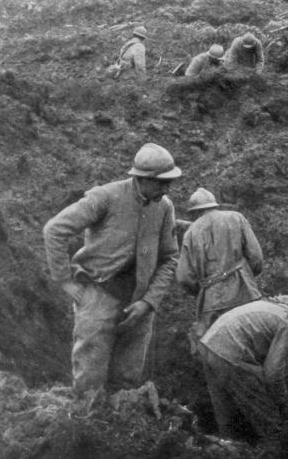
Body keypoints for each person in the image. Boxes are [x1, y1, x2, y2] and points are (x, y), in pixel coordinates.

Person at [42, 142, 181, 394]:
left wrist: (149, 302)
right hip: (99, 296)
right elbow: (55, 230)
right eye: (161, 182)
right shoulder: (105, 197)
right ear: (143, 178)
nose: (167, 187)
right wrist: (65, 280)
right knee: (89, 383)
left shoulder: (164, 207)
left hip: (138, 306)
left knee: (126, 386)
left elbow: (169, 258)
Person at [198, 300, 288, 456]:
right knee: (270, 420)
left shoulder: (282, 312)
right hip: (231, 351)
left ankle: (228, 451)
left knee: (226, 414)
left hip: (209, 342)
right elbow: (272, 375)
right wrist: (284, 409)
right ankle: (276, 454)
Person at [176, 187, 264, 344]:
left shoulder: (191, 232)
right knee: (253, 340)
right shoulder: (237, 218)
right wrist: (247, 275)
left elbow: (184, 277)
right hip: (245, 291)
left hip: (212, 302)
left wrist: (201, 289)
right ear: (214, 205)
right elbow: (256, 257)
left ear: (194, 212)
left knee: (215, 346)